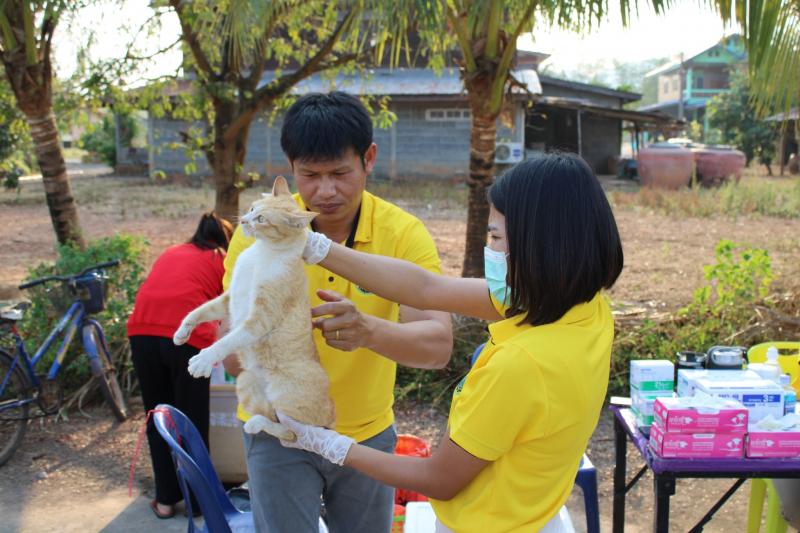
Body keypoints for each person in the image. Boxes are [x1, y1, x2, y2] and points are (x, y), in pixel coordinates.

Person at [279, 153, 624, 532]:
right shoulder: (585, 310)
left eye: (496, 237)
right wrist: (319, 248)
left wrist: (332, 446)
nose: (490, 249)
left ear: (538, 247)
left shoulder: (520, 366)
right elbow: (426, 289)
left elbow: (438, 479)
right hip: (537, 517)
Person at [221, 91, 453, 533]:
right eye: (310, 175)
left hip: (366, 434)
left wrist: (369, 331)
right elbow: (231, 357)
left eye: (340, 173)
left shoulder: (402, 235)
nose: (325, 191)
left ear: (369, 158)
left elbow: (437, 347)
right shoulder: (257, 232)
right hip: (278, 431)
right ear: (290, 167)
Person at [127, 212, 233, 519]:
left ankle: (165, 500)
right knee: (191, 421)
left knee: (158, 416)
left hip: (143, 332)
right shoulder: (222, 259)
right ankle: (199, 503)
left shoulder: (172, 252)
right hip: (186, 337)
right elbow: (229, 310)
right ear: (226, 238)